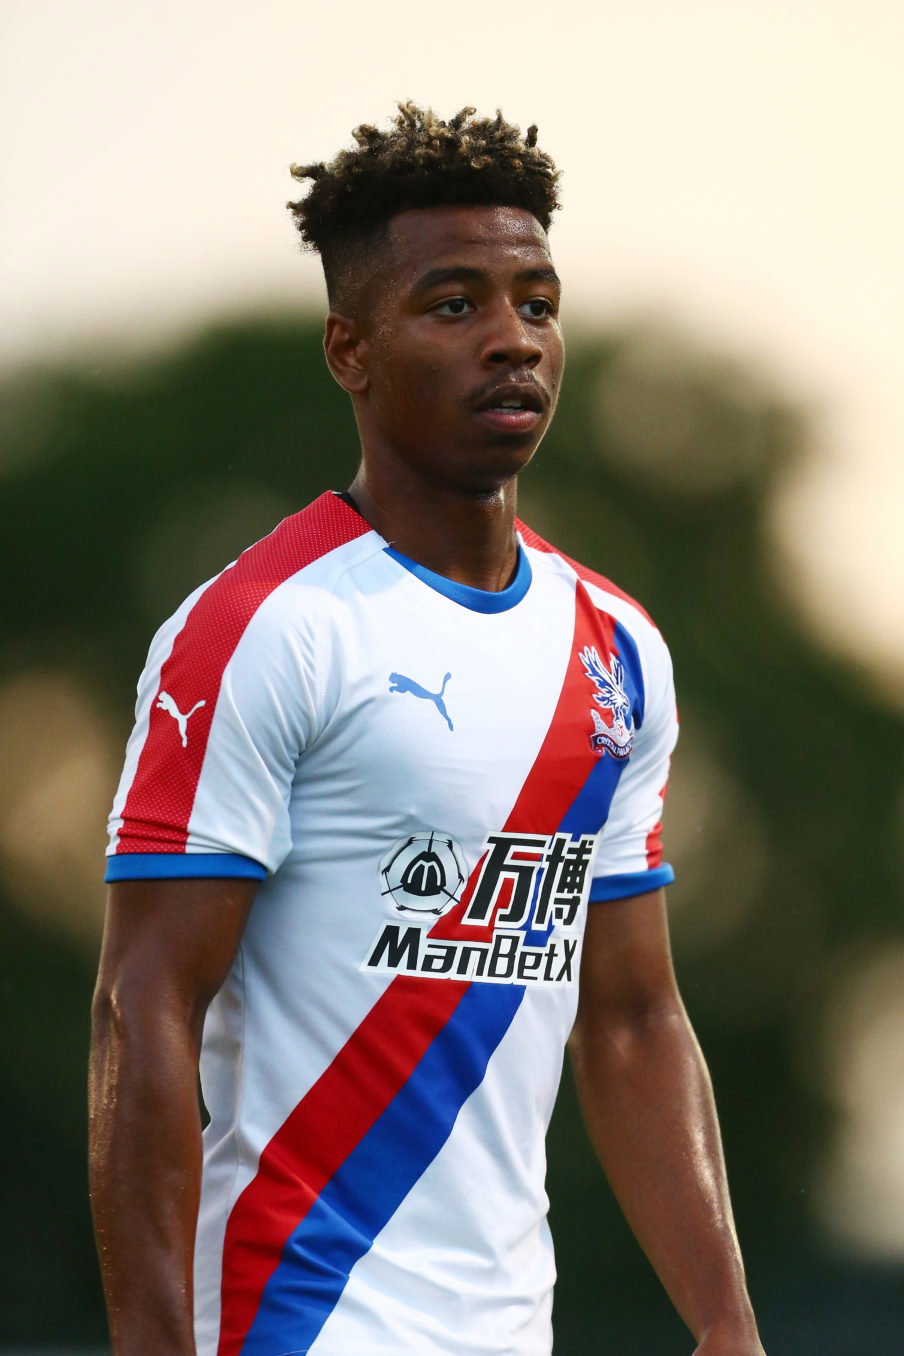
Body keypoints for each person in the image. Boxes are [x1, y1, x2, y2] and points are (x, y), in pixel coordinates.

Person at [88, 103, 765, 1356]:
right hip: (294, 1320)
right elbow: (147, 1002)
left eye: (537, 302)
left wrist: (727, 1326)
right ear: (351, 346)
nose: (513, 341)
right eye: (454, 305)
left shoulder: (616, 649)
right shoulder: (264, 627)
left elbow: (630, 1018)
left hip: (513, 1328)